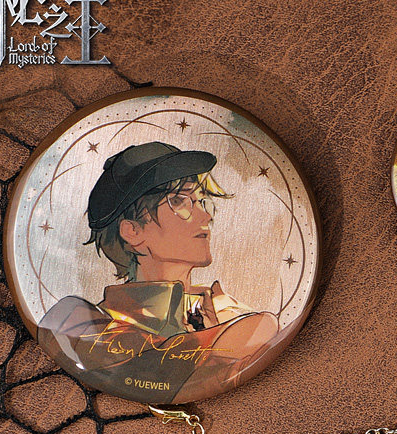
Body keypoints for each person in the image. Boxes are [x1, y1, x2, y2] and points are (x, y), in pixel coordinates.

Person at [38, 141, 279, 404]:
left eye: (201, 201)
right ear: (132, 231)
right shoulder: (74, 323)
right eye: (178, 201)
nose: (205, 216)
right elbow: (155, 372)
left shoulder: (230, 311)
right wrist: (223, 342)